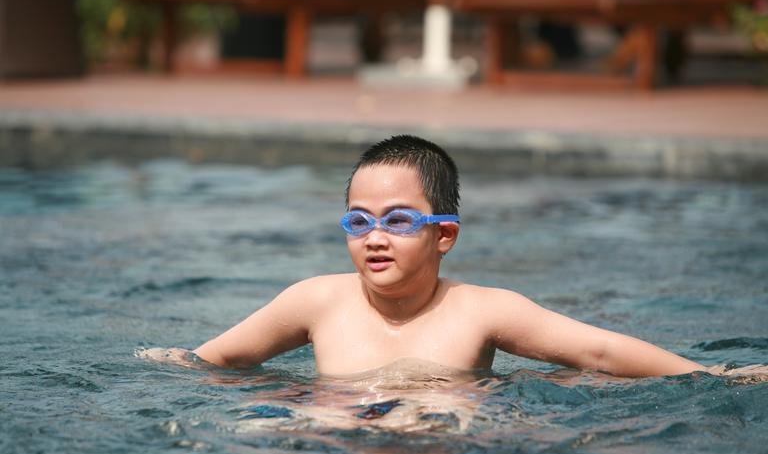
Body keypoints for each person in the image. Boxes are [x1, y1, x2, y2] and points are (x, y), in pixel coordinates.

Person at [183, 135, 761, 379]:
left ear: (444, 235)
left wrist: (711, 376)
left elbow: (599, 351)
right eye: (359, 221)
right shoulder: (316, 301)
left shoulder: (480, 311)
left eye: (399, 221)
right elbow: (211, 360)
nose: (375, 238)